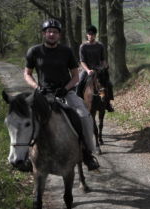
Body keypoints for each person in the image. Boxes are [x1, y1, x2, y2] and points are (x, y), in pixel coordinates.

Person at [24, 19, 99, 171]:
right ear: (44, 33)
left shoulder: (67, 51)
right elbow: (27, 74)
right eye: (49, 31)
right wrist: (37, 87)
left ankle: (87, 153)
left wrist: (66, 88)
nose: (52, 34)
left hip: (65, 92)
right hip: (43, 93)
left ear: (59, 35)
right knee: (24, 117)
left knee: (84, 115)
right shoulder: (34, 51)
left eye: (55, 32)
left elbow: (76, 76)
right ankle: (24, 156)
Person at [78, 25, 115, 112]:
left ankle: (108, 103)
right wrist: (87, 70)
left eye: (93, 34)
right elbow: (82, 61)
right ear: (87, 35)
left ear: (95, 35)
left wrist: (104, 66)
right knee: (79, 83)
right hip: (87, 69)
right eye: (89, 34)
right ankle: (79, 103)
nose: (91, 36)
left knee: (108, 83)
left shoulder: (100, 45)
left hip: (98, 69)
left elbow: (102, 59)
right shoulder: (83, 46)